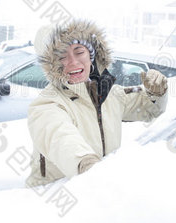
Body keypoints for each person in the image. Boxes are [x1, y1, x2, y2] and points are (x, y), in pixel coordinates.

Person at [26, 19, 168, 187]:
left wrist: (157, 91)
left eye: (79, 51)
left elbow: (148, 108)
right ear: (53, 65)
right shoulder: (47, 104)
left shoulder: (110, 94)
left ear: (91, 55)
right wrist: (86, 163)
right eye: (62, 56)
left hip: (99, 193)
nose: (73, 61)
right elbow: (59, 136)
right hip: (54, 197)